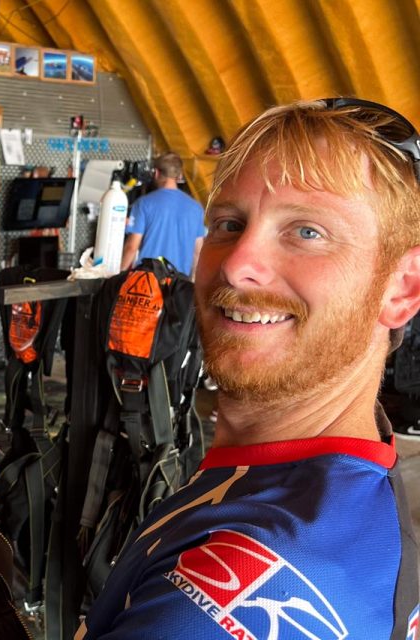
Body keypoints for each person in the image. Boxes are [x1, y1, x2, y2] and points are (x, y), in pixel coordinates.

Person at [79, 98, 420, 639]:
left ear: (403, 289)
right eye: (228, 224)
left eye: (307, 231)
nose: (237, 264)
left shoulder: (226, 599)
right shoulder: (363, 478)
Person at [119, 152, 206, 277]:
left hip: (148, 281)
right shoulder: (196, 208)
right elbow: (198, 252)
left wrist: (118, 276)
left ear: (157, 173)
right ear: (179, 175)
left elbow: (132, 247)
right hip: (178, 283)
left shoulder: (144, 204)